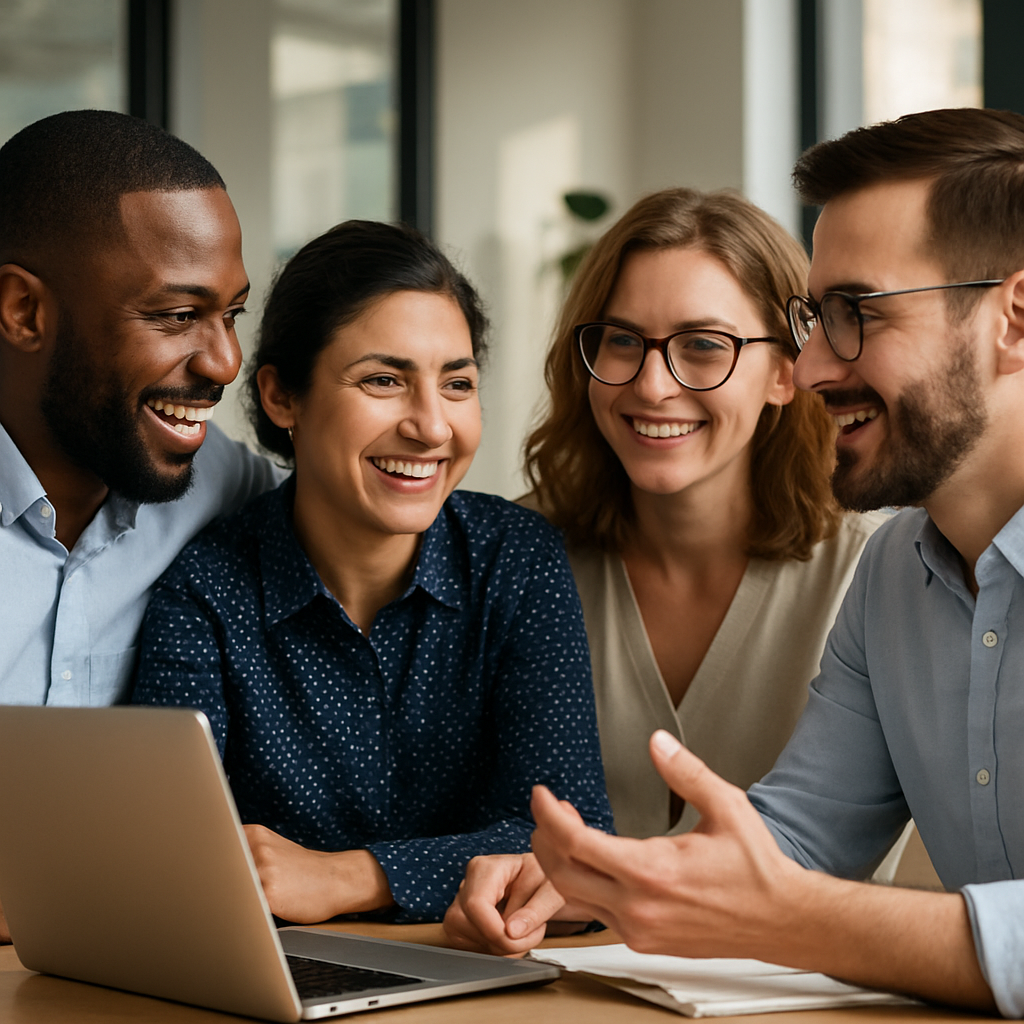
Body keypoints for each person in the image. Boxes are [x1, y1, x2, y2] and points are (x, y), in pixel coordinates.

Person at [525, 107, 1024, 1016]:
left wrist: (798, 918)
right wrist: (608, 877)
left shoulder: (851, 561)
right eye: (812, 319)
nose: (817, 364)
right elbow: (798, 838)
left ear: (1013, 319)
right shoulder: (894, 578)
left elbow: (789, 896)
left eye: (855, 315)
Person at [131, 220, 613, 925]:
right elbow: (169, 856)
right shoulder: (205, 589)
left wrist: (352, 878)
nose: (431, 426)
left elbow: (576, 848)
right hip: (270, 982)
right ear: (281, 398)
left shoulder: (518, 560)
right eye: (384, 380)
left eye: (456, 383)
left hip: (481, 977)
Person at [444, 188, 887, 953]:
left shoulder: (876, 571)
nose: (653, 385)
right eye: (621, 340)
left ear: (787, 371)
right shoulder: (514, 556)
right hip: (551, 993)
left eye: (705, 346)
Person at [0, 109, 277, 943]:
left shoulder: (220, 484)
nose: (225, 362)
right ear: (21, 311)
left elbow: (378, 519)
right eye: (175, 314)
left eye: (230, 312)